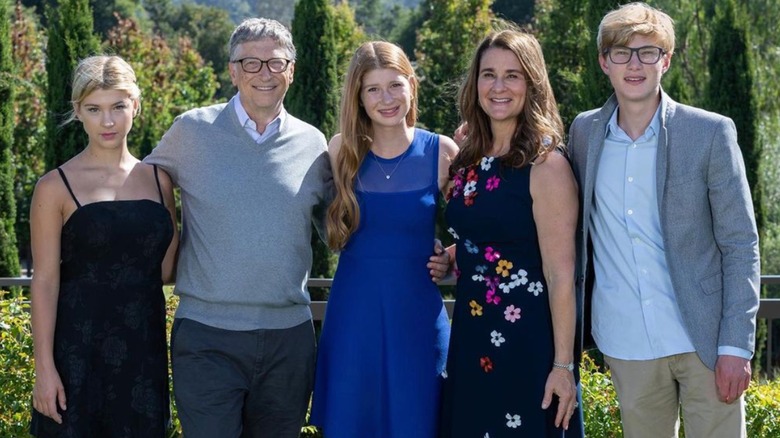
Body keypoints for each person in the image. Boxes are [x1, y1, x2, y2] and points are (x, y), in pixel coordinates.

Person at [568, 3, 760, 437]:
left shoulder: (710, 132)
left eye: (648, 52)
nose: (634, 64)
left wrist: (736, 345)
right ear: (604, 62)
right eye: (622, 52)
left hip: (707, 340)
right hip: (626, 342)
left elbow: (740, 244)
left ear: (667, 60)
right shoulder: (582, 133)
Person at [309, 41, 458, 437]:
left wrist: (451, 255)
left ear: (411, 84)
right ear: (358, 97)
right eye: (373, 89)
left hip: (418, 323)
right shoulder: (341, 149)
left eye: (394, 85)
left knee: (419, 422)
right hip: (353, 319)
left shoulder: (442, 152)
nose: (386, 99)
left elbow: (482, 227)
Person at [440, 29, 584, 437]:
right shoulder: (467, 159)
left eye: (512, 75)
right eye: (489, 74)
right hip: (470, 340)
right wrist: (452, 255)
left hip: (527, 346)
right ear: (476, 83)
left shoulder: (546, 165)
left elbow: (560, 275)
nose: (498, 87)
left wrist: (562, 366)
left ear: (532, 84)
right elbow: (490, 237)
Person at [29, 55, 179, 437]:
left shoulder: (161, 182)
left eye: (118, 107)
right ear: (78, 112)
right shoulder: (53, 186)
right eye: (94, 109)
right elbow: (44, 281)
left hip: (144, 353)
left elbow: (164, 271)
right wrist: (44, 369)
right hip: (76, 356)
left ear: (136, 106)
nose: (108, 121)